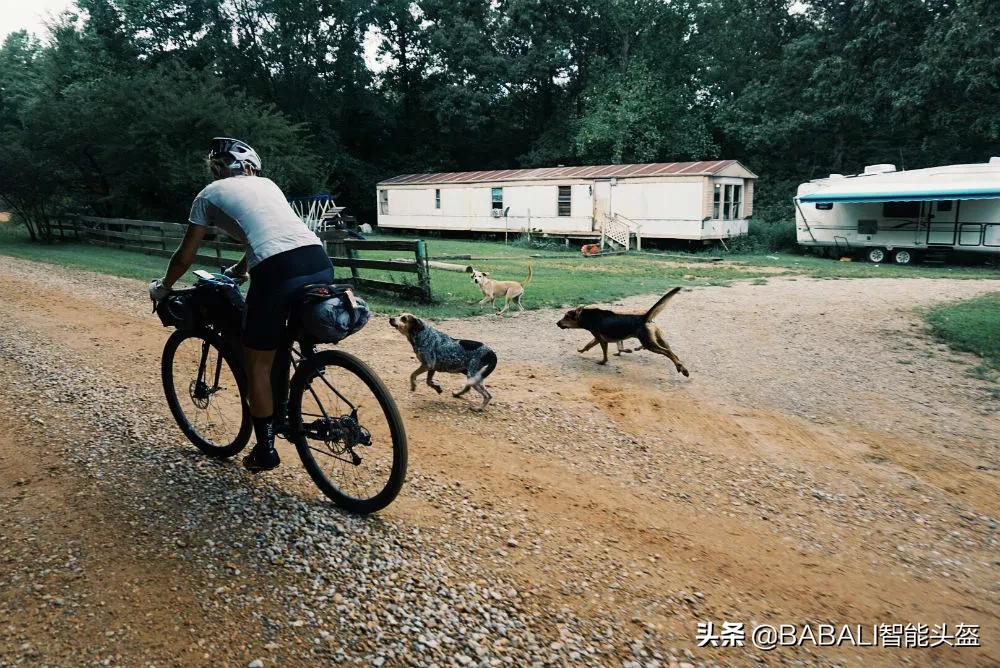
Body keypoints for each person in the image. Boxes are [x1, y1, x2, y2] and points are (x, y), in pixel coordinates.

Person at [149, 137, 332, 473]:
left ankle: (266, 451)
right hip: (318, 259)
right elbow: (270, 235)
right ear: (250, 168)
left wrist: (164, 287)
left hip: (277, 270)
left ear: (219, 168)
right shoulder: (268, 185)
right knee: (285, 338)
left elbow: (186, 255)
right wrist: (240, 270)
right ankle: (302, 375)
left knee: (257, 363)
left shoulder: (207, 196)